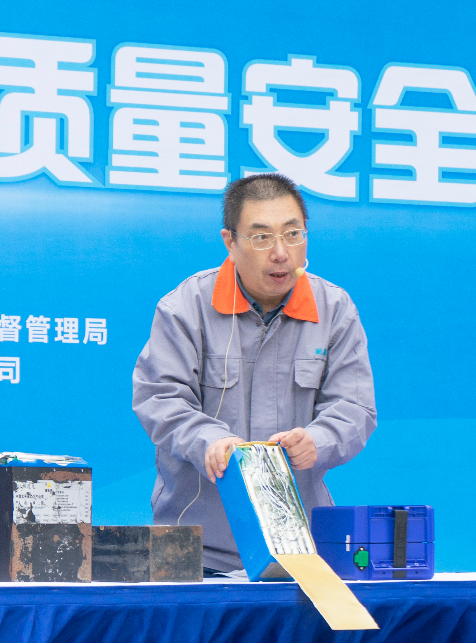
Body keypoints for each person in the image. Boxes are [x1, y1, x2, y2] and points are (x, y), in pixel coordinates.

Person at [131, 173, 377, 575]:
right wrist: (209, 441)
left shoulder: (334, 309)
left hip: (298, 550)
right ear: (230, 242)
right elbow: (159, 399)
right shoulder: (186, 307)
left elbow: (355, 408)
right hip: (194, 551)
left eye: (293, 234)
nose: (280, 253)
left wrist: (316, 441)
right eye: (261, 237)